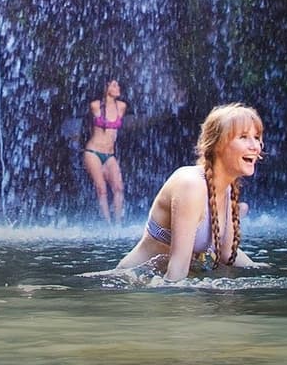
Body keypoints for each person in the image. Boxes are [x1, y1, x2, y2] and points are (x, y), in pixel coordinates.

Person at [116, 103, 264, 281]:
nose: (255, 146)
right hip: (132, 283)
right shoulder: (191, 185)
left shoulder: (228, 188)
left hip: (156, 282)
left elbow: (227, 255)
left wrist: (266, 271)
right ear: (218, 144)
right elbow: (177, 268)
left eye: (256, 137)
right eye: (244, 137)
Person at [82, 79, 129, 224]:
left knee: (119, 188)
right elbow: (88, 124)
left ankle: (118, 225)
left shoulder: (121, 106)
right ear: (105, 87)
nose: (118, 87)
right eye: (114, 85)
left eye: (118, 85)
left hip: (110, 154)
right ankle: (107, 224)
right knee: (101, 189)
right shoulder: (95, 106)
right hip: (93, 152)